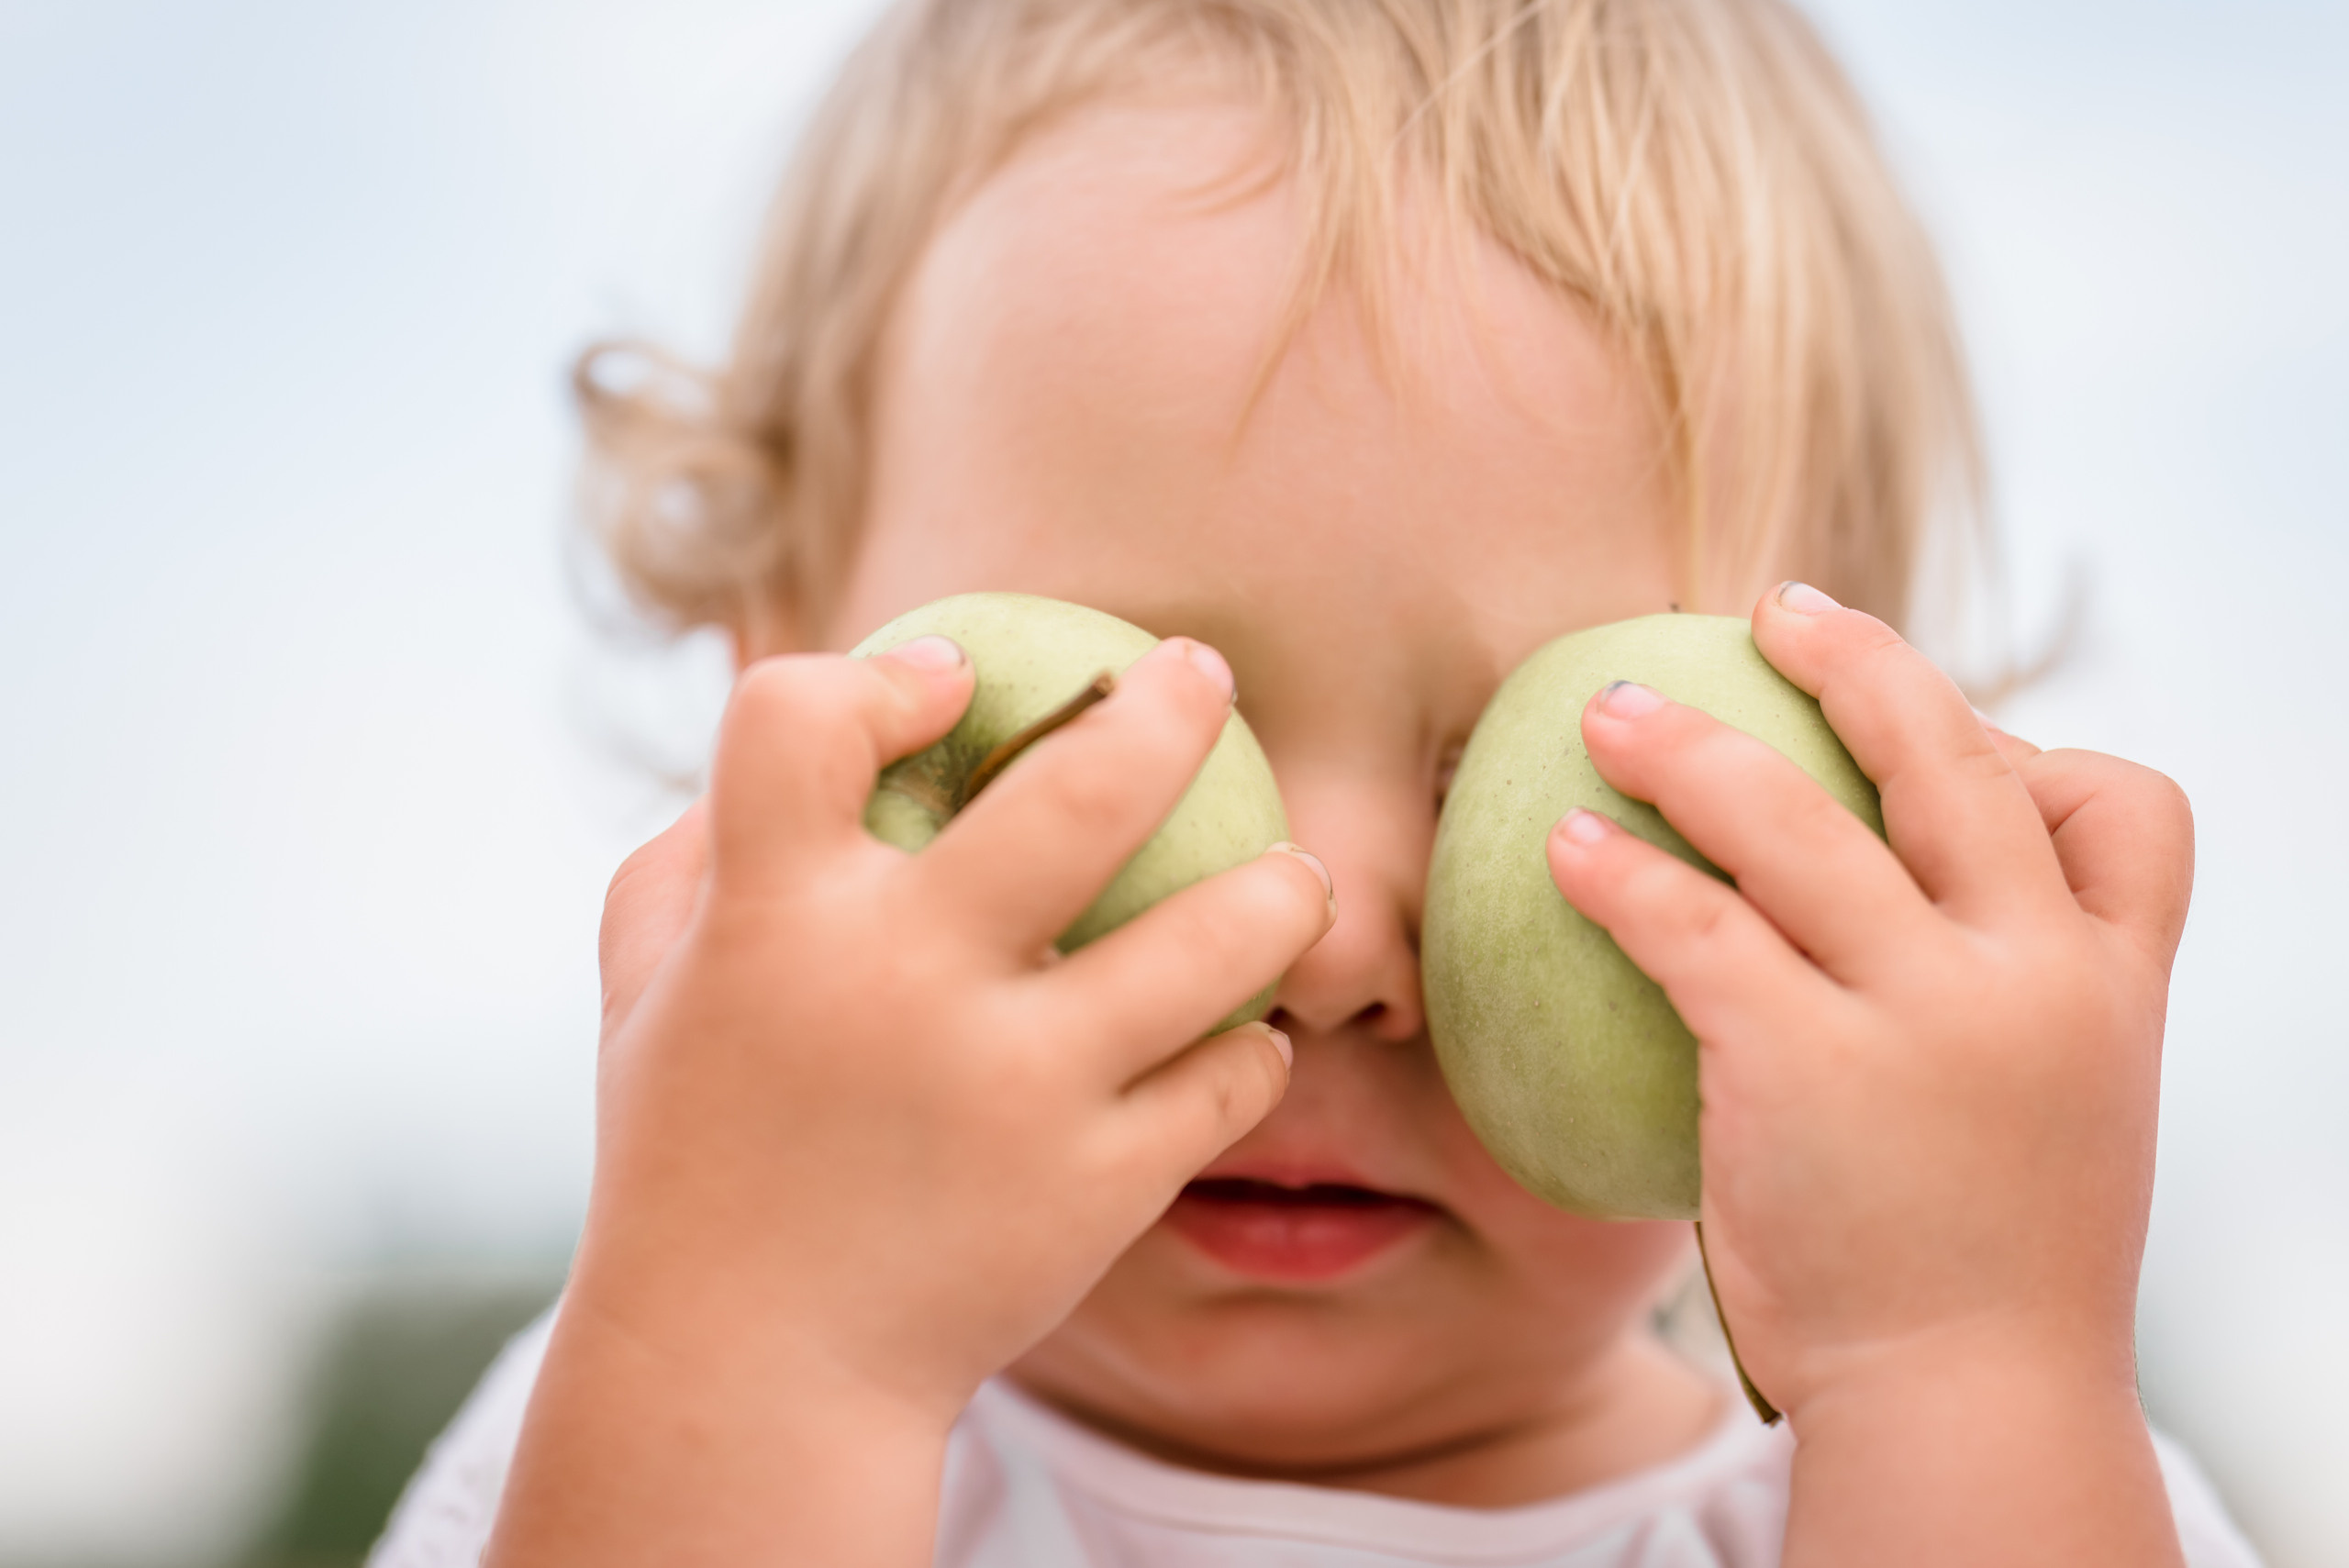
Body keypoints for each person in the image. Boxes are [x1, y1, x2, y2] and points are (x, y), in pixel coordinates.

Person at [373, 0, 2263, 1562]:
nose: (1330, 944)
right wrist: (766, 1352)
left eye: (1507, 763)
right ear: (779, 708)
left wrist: (1960, 1357)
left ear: (1858, 810)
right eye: (1140, 733)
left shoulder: (1981, 1484)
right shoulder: (647, 1427)